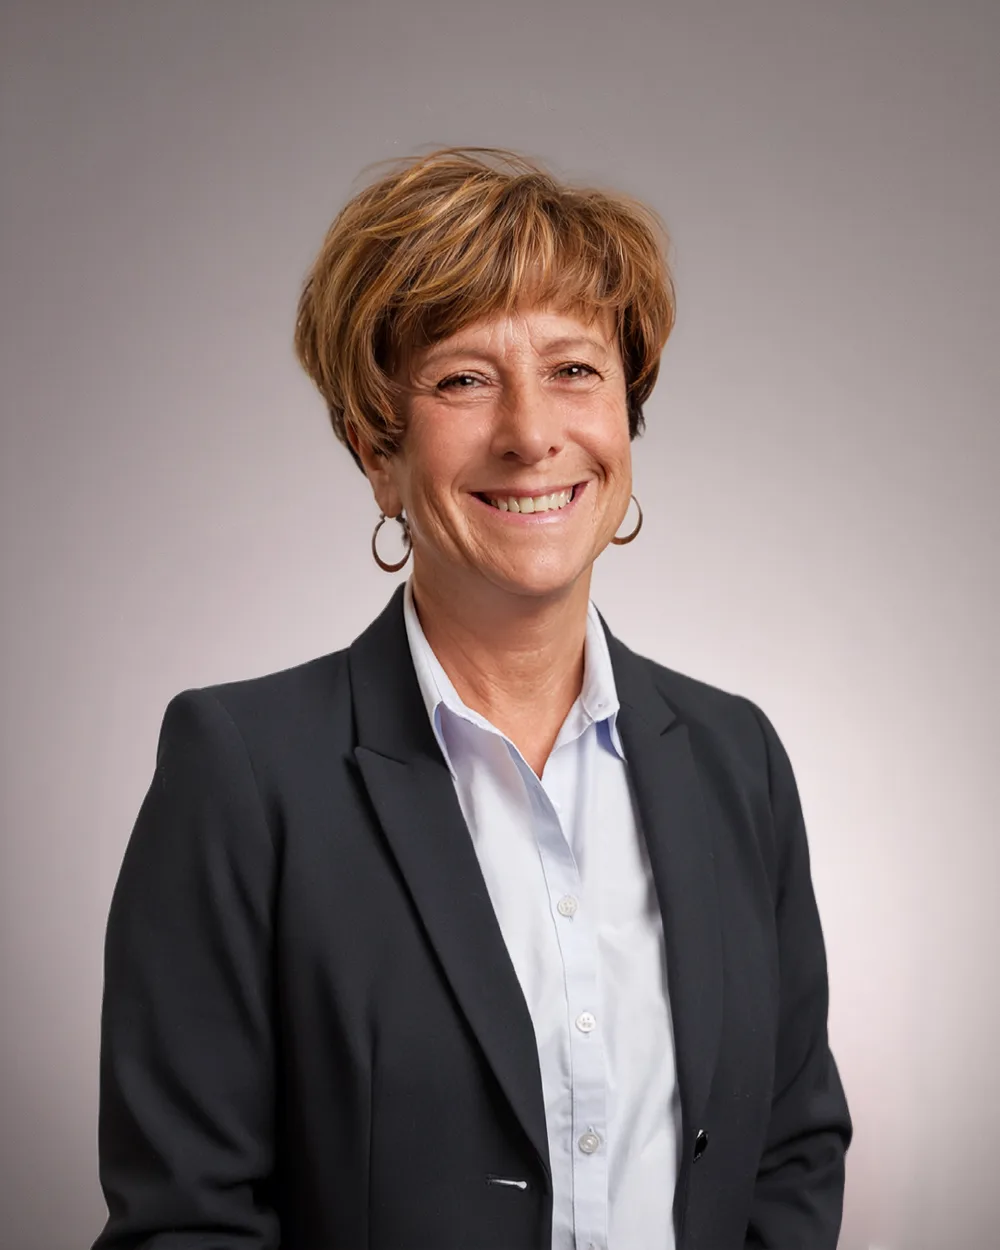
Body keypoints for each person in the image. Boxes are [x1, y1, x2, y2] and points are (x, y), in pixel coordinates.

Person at [92, 148, 852, 1250]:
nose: (530, 432)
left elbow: (788, 1149)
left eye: (575, 369)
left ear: (626, 420)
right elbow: (185, 1220)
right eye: (461, 378)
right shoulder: (244, 773)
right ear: (377, 452)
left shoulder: (737, 758)